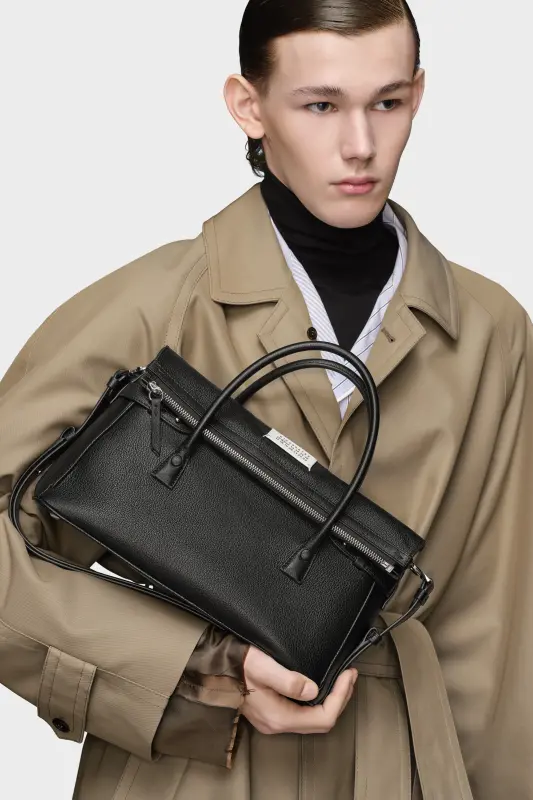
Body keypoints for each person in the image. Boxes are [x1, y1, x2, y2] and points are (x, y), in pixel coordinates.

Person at [1, 0, 532, 798]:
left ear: (417, 94)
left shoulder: (491, 332)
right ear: (248, 106)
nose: (360, 144)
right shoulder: (150, 307)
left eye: (386, 102)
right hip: (187, 776)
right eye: (320, 105)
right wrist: (193, 671)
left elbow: (495, 637)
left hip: (404, 769)